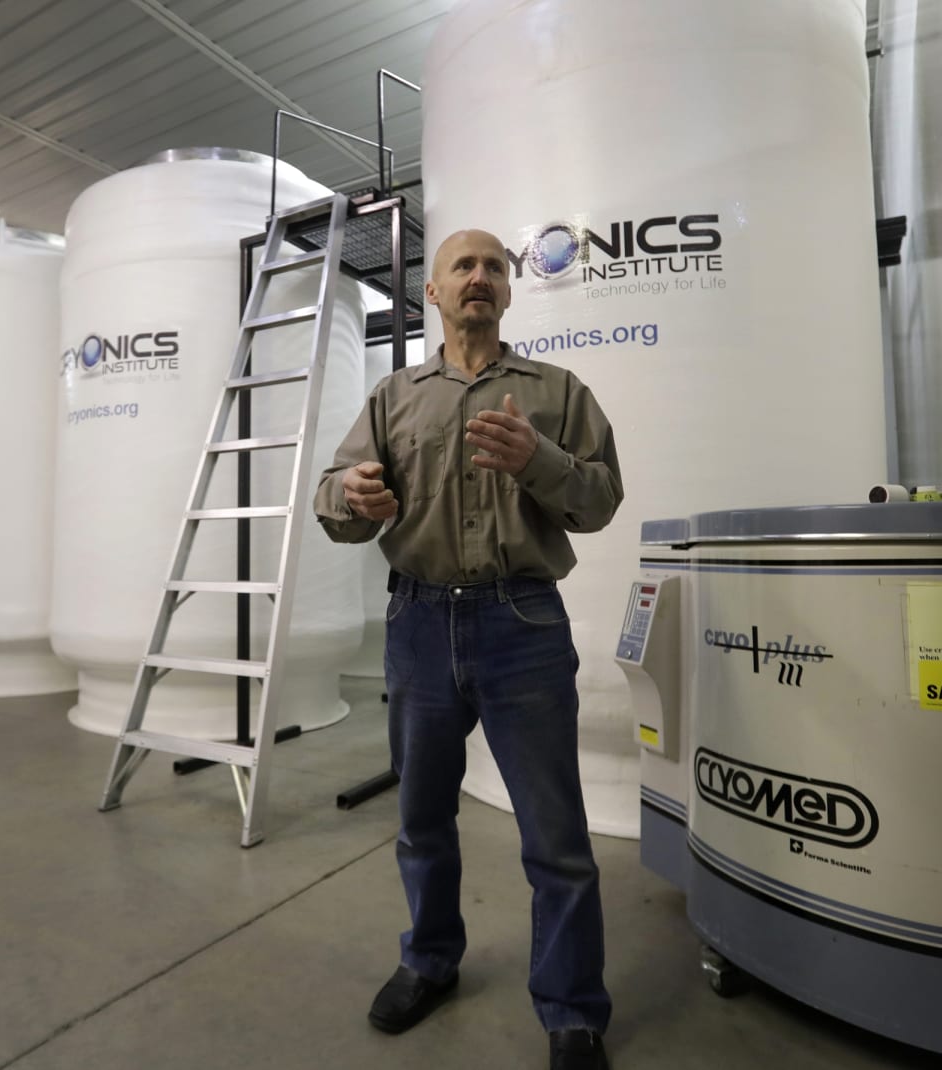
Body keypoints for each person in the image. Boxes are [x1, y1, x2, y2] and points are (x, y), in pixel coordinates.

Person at [313, 229, 623, 1070]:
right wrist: (352, 493)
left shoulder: (557, 392)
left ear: (509, 293)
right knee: (420, 822)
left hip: (522, 623)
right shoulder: (394, 397)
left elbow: (599, 501)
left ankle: (571, 1012)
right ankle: (429, 961)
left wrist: (542, 461)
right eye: (463, 267)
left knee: (555, 836)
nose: (479, 278)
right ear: (434, 295)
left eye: (494, 267)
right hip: (417, 625)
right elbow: (330, 502)